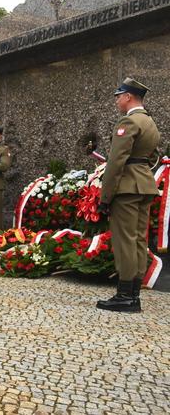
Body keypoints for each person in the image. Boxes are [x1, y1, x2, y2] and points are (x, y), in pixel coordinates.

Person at [97, 78, 160, 313]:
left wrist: (105, 197)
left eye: (118, 96)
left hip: (126, 188)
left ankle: (124, 295)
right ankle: (133, 292)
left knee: (125, 241)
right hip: (145, 184)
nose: (116, 100)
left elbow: (115, 162)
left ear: (128, 97)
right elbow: (153, 156)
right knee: (138, 239)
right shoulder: (150, 122)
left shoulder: (129, 121)